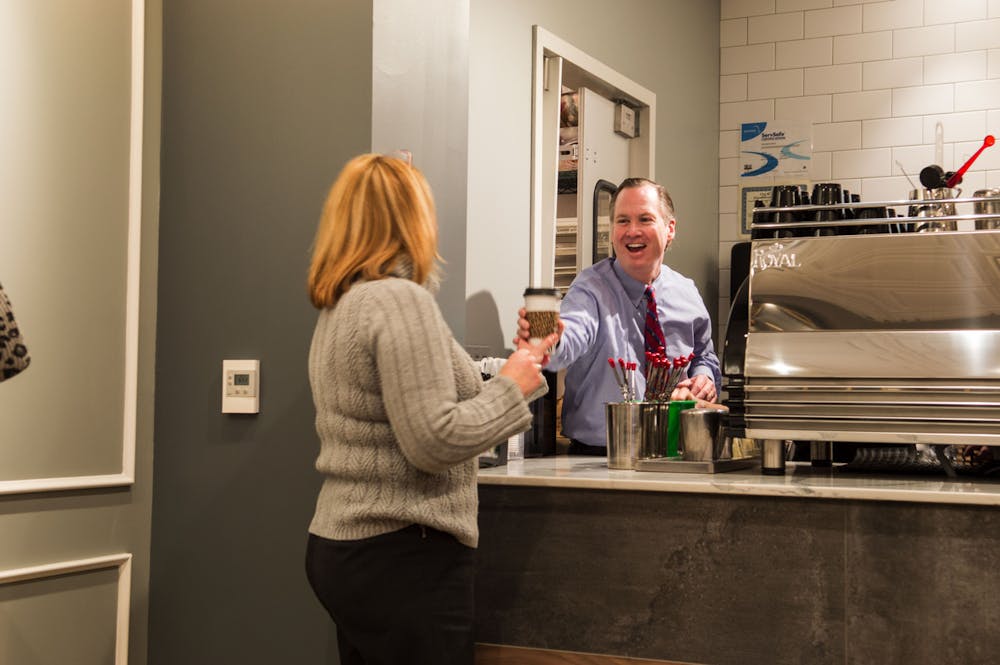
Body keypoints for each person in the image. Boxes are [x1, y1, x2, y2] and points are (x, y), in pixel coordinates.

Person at [303, 153, 557, 665]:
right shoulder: (400, 300)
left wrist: (523, 364)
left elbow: (417, 402)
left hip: (346, 546)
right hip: (404, 553)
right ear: (412, 220)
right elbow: (433, 440)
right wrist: (512, 387)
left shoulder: (345, 305)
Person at [516, 177, 721, 455]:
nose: (632, 231)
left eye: (645, 219)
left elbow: (703, 356)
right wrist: (549, 340)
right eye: (622, 221)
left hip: (676, 453)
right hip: (599, 459)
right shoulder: (589, 289)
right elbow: (571, 337)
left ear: (669, 229)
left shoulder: (687, 292)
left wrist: (704, 379)